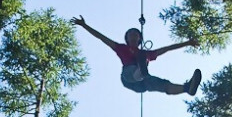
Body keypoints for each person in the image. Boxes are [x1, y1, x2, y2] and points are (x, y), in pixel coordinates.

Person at [71, 16, 202, 96]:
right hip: (128, 78)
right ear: (127, 38)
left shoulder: (146, 53)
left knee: (162, 84)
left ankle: (186, 88)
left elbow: (166, 49)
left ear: (140, 39)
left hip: (142, 84)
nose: (133, 36)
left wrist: (187, 43)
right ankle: (142, 72)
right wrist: (84, 25)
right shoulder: (121, 48)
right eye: (131, 35)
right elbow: (101, 37)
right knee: (140, 61)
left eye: (136, 35)